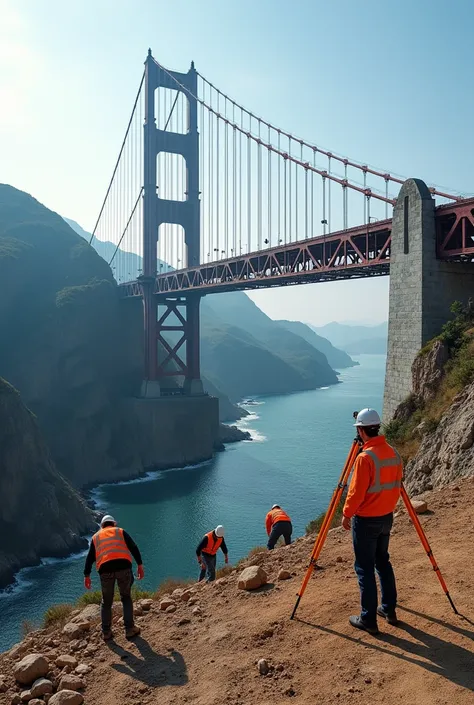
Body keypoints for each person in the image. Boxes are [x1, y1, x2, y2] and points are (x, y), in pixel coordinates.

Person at [342, 408, 403, 635]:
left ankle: (368, 619)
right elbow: (397, 484)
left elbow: (356, 492)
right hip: (387, 517)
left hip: (366, 520)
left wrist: (347, 514)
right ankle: (389, 609)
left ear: (361, 430)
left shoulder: (365, 458)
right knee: (383, 562)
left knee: (364, 568)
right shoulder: (393, 453)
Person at [84, 514, 145, 641]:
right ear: (114, 523)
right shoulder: (121, 531)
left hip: (105, 571)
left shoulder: (96, 537)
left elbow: (90, 558)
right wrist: (139, 565)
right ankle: (129, 629)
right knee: (126, 597)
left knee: (106, 602)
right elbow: (134, 548)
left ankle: (106, 632)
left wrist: (87, 575)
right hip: (124, 568)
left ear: (102, 526)